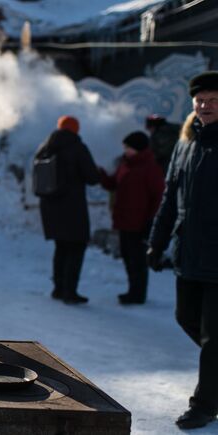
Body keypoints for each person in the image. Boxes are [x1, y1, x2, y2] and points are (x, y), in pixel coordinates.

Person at [148, 71, 218, 430]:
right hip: (189, 252)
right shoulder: (185, 143)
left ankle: (204, 405)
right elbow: (169, 198)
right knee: (184, 317)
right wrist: (157, 242)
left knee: (212, 336)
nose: (205, 106)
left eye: (213, 100)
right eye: (200, 100)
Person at [35, 115, 100, 304]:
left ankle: (58, 288)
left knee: (61, 247)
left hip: (51, 207)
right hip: (73, 208)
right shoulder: (78, 147)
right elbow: (92, 177)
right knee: (76, 247)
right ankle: (70, 292)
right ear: (75, 130)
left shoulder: (45, 147)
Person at [98, 131, 164, 305]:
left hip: (139, 223)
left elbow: (158, 197)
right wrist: (102, 175)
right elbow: (113, 183)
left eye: (128, 147)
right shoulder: (125, 164)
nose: (125, 150)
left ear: (138, 149)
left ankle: (138, 295)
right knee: (128, 258)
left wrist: (151, 222)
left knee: (138, 261)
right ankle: (132, 291)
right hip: (124, 221)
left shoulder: (150, 168)